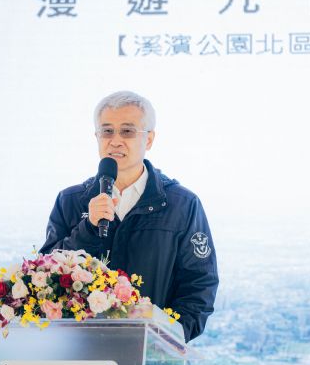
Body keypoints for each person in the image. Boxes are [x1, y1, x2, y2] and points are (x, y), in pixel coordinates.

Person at [40, 91, 218, 342]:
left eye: (127, 131)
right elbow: (44, 275)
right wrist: (88, 228)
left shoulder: (182, 205)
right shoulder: (70, 200)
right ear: (97, 137)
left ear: (149, 139)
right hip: (80, 352)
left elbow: (199, 285)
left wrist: (167, 338)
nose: (115, 141)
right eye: (107, 131)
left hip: (153, 353)